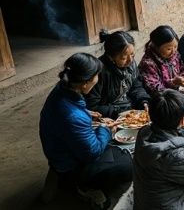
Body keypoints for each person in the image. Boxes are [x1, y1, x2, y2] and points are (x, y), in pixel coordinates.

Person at [40, 53, 132, 210]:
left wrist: (86, 112)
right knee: (129, 165)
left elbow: (67, 112)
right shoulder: (72, 116)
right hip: (70, 163)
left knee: (119, 151)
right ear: (84, 83)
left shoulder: (64, 87)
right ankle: (84, 187)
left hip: (60, 148)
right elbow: (92, 152)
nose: (98, 80)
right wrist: (105, 129)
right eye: (96, 76)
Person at [86, 31, 150, 119]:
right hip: (110, 115)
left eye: (132, 54)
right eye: (123, 58)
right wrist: (117, 113)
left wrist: (143, 101)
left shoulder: (130, 63)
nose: (130, 60)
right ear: (111, 57)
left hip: (130, 108)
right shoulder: (99, 72)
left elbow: (137, 87)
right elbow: (92, 106)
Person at [138, 25, 184, 94]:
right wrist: (173, 82)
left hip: (178, 92)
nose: (173, 51)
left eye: (175, 46)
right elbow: (154, 89)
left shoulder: (174, 55)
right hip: (162, 99)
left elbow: (183, 67)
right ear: (156, 47)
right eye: (168, 49)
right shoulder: (148, 64)